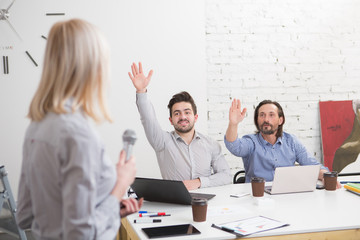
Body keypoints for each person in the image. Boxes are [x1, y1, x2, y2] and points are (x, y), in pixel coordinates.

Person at [16, 19, 142, 240]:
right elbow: (80, 235)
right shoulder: (80, 135)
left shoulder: (36, 126)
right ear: (92, 66)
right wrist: (120, 184)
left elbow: (25, 215)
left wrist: (110, 207)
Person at [128, 62, 231, 190]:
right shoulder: (162, 142)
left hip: (206, 204)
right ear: (171, 120)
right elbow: (148, 119)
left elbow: (226, 176)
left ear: (195, 117)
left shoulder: (211, 144)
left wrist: (198, 182)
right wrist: (141, 91)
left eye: (187, 112)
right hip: (176, 205)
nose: (182, 117)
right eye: (177, 113)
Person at [225, 99, 341, 188]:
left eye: (271, 115)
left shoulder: (291, 141)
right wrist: (233, 124)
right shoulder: (251, 142)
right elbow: (234, 146)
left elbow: (312, 165)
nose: (266, 119)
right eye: (262, 115)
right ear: (257, 120)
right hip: (258, 196)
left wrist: (327, 176)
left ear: (280, 120)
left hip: (286, 196)